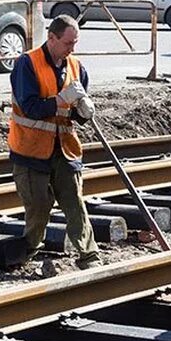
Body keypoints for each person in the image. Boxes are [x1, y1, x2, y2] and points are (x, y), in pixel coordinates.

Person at [8, 15, 100, 269]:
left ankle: (89, 255)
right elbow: (31, 107)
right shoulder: (27, 64)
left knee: (74, 201)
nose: (72, 48)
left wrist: (82, 111)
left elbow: (73, 114)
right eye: (68, 43)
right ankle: (29, 247)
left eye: (75, 42)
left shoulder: (76, 67)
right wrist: (60, 100)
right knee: (38, 205)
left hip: (65, 148)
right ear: (52, 38)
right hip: (31, 150)